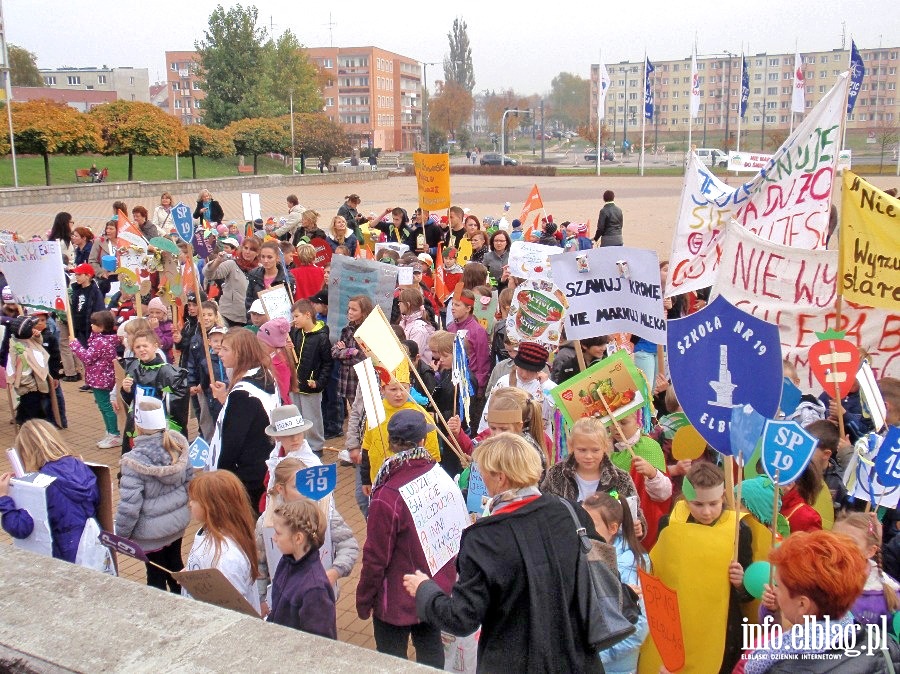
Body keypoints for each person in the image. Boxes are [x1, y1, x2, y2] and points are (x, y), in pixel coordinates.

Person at [403, 432, 603, 673]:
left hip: (514, 661)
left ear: (500, 478)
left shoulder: (483, 538)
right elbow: (601, 565)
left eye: (483, 471)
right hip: (576, 657)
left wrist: (425, 589)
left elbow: (462, 618)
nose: (481, 477)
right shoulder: (569, 510)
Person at [357, 410, 456, 667]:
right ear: (423, 441)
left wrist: (364, 598)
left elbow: (376, 556)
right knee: (432, 654)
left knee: (392, 663)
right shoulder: (438, 475)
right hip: (433, 590)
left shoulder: (386, 494)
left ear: (390, 444)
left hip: (395, 600)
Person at [642, 462, 752, 674]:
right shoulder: (671, 524)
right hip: (678, 627)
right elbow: (659, 572)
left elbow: (747, 595)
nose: (707, 512)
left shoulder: (738, 531)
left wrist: (741, 583)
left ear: (723, 498)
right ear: (685, 499)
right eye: (698, 504)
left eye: (713, 503)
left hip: (721, 629)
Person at [750, 530, 900, 672]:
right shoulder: (883, 644)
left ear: (802, 604)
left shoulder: (779, 666)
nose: (775, 591)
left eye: (779, 586)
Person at [116, 398, 192, 593]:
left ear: (137, 427)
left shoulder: (133, 461)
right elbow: (189, 483)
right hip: (177, 525)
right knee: (175, 566)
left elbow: (129, 506)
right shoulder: (179, 448)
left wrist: (121, 536)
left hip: (149, 534)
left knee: (155, 576)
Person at [0, 419, 99, 563]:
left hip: (62, 551)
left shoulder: (41, 482)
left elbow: (21, 528)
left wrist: (4, 498)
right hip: (91, 540)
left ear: (26, 452)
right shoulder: (79, 464)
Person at [209, 328, 280, 511]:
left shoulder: (242, 394)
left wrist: (221, 479)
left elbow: (232, 443)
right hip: (264, 463)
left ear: (240, 353)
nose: (220, 353)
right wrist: (225, 398)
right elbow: (254, 417)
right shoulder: (265, 375)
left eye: (226, 349)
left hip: (247, 475)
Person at [581, 492, 650, 674]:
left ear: (612, 528)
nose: (583, 529)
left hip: (616, 667)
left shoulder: (635, 561)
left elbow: (639, 624)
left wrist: (598, 656)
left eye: (591, 525)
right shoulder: (581, 553)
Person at [184, 471, 260, 614]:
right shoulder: (207, 530)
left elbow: (234, 609)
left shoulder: (227, 557)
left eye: (194, 499)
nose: (190, 504)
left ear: (211, 506)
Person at [266, 498, 337, 638]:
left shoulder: (314, 590)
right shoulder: (286, 561)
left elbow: (320, 643)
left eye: (278, 533)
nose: (274, 538)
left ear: (298, 538)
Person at [541, 416, 644, 510]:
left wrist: (637, 526)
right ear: (571, 446)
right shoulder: (556, 474)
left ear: (605, 447)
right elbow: (543, 509)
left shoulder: (620, 479)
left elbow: (634, 513)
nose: (588, 456)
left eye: (595, 450)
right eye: (582, 450)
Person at [119, 329, 189, 448]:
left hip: (160, 426)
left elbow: (178, 407)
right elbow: (130, 400)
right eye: (137, 347)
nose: (142, 349)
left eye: (145, 345)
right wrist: (126, 390)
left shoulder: (169, 373)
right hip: (137, 424)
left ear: (155, 346)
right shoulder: (133, 367)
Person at [831, 513, 900, 628]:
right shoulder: (817, 576)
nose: (839, 547)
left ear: (870, 551)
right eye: (834, 539)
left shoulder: (886, 597)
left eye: (850, 542)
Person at [69, 310, 120, 449]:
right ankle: (110, 431)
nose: (91, 325)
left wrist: (75, 345)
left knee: (105, 406)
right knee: (103, 406)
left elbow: (87, 357)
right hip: (101, 377)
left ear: (102, 326)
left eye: (94, 323)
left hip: (101, 379)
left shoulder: (100, 342)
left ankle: (114, 433)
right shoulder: (103, 339)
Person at [289, 300, 332, 458]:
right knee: (297, 416)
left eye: (296, 316)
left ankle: (316, 446)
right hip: (295, 383)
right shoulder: (295, 332)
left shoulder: (321, 337)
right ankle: (300, 445)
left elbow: (327, 363)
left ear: (308, 315)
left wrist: (319, 382)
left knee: (312, 417)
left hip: (311, 384)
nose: (294, 320)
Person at [331, 295, 372, 421]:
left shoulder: (368, 330)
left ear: (364, 312)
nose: (350, 312)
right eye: (349, 308)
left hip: (362, 380)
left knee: (366, 416)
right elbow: (334, 352)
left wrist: (345, 352)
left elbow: (364, 358)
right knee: (355, 415)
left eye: (354, 310)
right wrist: (350, 351)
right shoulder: (347, 330)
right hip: (348, 381)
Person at [8, 316, 53, 425]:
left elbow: (38, 344)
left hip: (32, 383)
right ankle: (34, 430)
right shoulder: (18, 349)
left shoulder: (25, 339)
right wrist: (32, 387)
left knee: (25, 406)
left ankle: (21, 419)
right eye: (32, 327)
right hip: (28, 387)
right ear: (26, 333)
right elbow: (20, 373)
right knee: (34, 413)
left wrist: (37, 336)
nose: (35, 328)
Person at [245, 241, 295, 316]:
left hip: (278, 321)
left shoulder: (287, 278)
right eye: (263, 257)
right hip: (257, 322)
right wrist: (251, 319)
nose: (265, 260)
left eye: (269, 257)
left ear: (277, 257)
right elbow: (249, 300)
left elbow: (287, 305)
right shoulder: (254, 274)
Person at [203, 249, 251, 327]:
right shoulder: (232, 264)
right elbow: (208, 274)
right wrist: (217, 261)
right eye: (245, 247)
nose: (248, 251)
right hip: (227, 315)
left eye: (252, 249)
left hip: (248, 318)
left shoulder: (259, 270)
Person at [256, 317, 294, 406]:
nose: (258, 345)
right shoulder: (269, 358)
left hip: (278, 407)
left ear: (272, 344)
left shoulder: (279, 364)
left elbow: (282, 393)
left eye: (261, 342)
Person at [70, 263, 106, 348]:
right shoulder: (76, 290)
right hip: (76, 329)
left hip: (89, 331)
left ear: (88, 276)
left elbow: (99, 311)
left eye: (79, 274)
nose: (76, 277)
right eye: (75, 275)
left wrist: (95, 330)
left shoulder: (95, 292)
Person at [398, 288, 434, 364]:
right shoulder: (404, 322)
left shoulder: (418, 329)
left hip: (418, 371)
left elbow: (413, 355)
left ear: (408, 304)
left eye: (400, 302)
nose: (398, 304)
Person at [87, 220, 119, 295]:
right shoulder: (99, 242)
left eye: (111, 229)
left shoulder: (124, 243)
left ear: (118, 230)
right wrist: (101, 273)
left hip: (120, 276)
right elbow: (92, 261)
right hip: (105, 278)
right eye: (107, 228)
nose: (108, 231)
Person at [146, 297, 174, 363]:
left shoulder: (169, 326)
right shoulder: (146, 323)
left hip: (163, 358)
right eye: (151, 312)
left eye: (158, 312)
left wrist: (156, 328)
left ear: (164, 313)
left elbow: (164, 344)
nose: (154, 315)